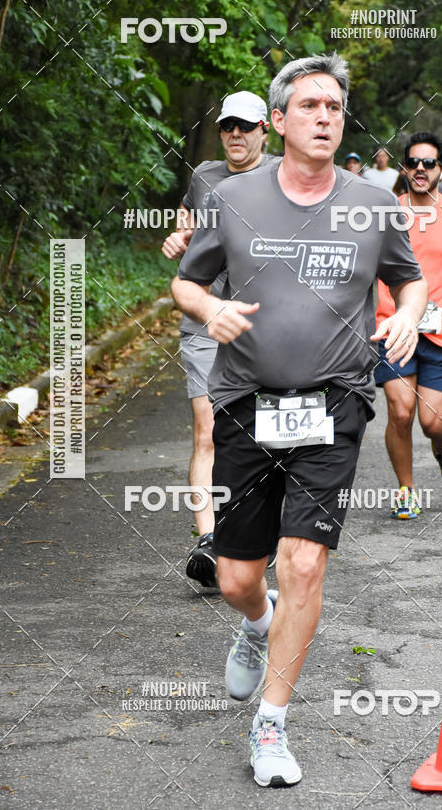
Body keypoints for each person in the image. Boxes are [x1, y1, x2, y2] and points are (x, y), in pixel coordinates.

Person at [171, 53, 427, 787]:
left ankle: (272, 724)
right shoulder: (234, 198)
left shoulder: (374, 203)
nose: (324, 116)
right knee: (236, 577)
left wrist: (407, 318)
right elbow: (185, 281)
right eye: (310, 106)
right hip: (247, 404)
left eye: (335, 107)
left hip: (334, 402)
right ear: (279, 121)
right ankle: (258, 624)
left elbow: (406, 281)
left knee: (306, 560)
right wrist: (210, 305)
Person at [161, 90, 275, 589]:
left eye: (245, 127)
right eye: (228, 125)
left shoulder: (281, 177)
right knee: (207, 428)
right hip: (206, 318)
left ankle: (257, 531)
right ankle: (209, 540)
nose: (235, 134)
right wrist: (178, 236)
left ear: (264, 131)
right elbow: (187, 219)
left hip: (263, 322)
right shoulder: (205, 175)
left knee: (260, 432)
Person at [374, 132, 442, 519]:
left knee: (431, 423)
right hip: (394, 329)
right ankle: (406, 489)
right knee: (400, 413)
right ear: (404, 168)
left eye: (428, 163)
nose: (419, 169)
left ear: (441, 169)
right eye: (413, 162)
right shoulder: (385, 213)